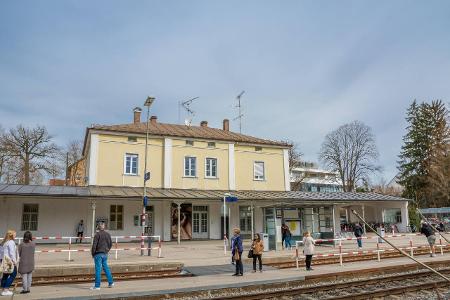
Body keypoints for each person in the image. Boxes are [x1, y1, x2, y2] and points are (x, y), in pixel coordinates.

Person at [91, 222, 114, 290]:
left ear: (98, 227)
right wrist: (107, 250)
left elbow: (94, 245)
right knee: (106, 268)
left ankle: (97, 286)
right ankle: (111, 283)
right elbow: (110, 244)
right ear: (104, 227)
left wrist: (93, 254)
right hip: (105, 254)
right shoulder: (108, 234)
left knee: (98, 270)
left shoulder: (97, 235)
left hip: (98, 254)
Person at [1, 230, 17, 296]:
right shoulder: (11, 242)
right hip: (10, 261)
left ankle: (3, 290)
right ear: (12, 235)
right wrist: (15, 261)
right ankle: (6, 290)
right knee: (13, 274)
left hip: (5, 261)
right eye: (15, 234)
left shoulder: (5, 242)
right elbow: (12, 253)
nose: (15, 235)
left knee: (5, 275)